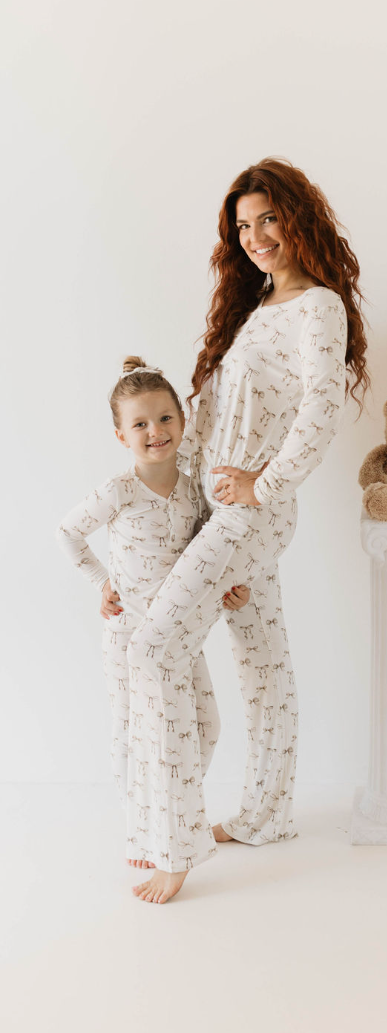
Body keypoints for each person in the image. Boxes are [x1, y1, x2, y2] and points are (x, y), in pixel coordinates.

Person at [125, 157, 370, 902]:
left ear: (298, 219)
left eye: (268, 219)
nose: (257, 235)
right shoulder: (258, 308)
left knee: (156, 644)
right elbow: (212, 418)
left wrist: (263, 485)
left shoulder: (319, 307)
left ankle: (175, 840)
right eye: (244, 225)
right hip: (219, 508)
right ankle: (265, 815)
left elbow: (321, 408)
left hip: (251, 511)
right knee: (264, 663)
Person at [56, 356, 251, 869]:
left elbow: (209, 550)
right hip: (130, 636)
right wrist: (102, 582)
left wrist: (232, 586)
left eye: (165, 418)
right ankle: (148, 834)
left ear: (183, 422)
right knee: (137, 737)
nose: (155, 431)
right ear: (121, 436)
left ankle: (162, 813)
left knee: (204, 727)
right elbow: (68, 533)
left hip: (179, 638)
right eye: (139, 423)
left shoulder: (193, 489)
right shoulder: (118, 491)